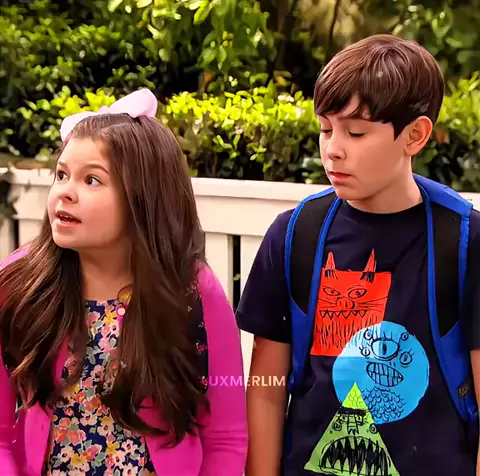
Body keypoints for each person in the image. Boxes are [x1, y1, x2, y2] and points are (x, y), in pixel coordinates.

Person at [236, 34, 480, 475]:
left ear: (415, 135)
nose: (333, 148)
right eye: (325, 128)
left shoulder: (465, 242)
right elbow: (267, 390)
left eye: (356, 132)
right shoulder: (294, 235)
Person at [0, 88, 247, 475]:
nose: (65, 192)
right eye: (62, 175)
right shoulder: (20, 283)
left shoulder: (192, 291)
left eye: (92, 180)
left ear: (144, 198)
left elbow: (226, 437)